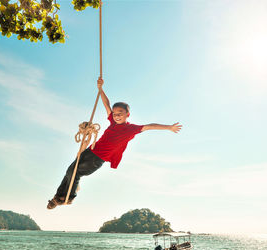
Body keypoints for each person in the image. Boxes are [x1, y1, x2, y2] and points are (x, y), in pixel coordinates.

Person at [47, 77, 182, 209]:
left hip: (98, 159)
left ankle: (69, 197)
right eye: (115, 113)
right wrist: (101, 89)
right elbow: (106, 104)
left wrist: (168, 127)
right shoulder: (112, 121)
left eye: (120, 113)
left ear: (127, 114)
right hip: (90, 150)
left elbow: (149, 126)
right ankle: (57, 197)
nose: (117, 115)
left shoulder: (131, 129)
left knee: (75, 173)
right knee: (69, 171)